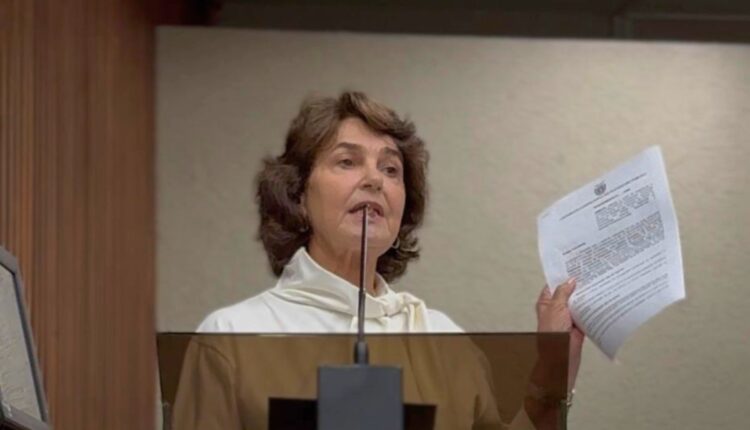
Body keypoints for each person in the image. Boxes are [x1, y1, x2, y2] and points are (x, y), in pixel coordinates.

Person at [174, 91, 584, 429]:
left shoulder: (445, 340)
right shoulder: (231, 337)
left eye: (390, 169)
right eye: (347, 161)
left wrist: (552, 367)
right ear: (297, 196)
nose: (374, 180)